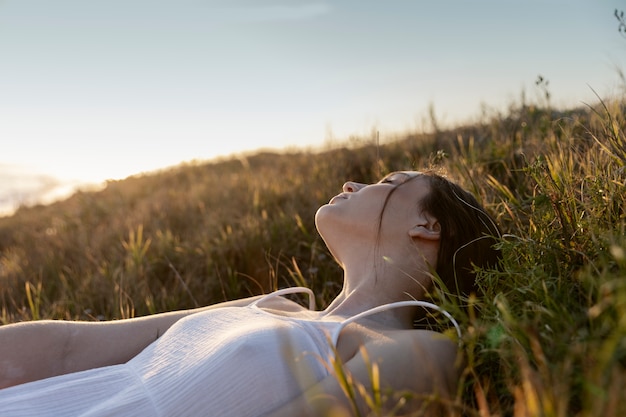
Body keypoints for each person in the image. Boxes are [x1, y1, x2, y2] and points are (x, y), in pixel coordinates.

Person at [0, 170, 501, 416]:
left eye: (388, 181)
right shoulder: (271, 305)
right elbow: (69, 352)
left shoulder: (417, 350)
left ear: (426, 224)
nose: (352, 183)